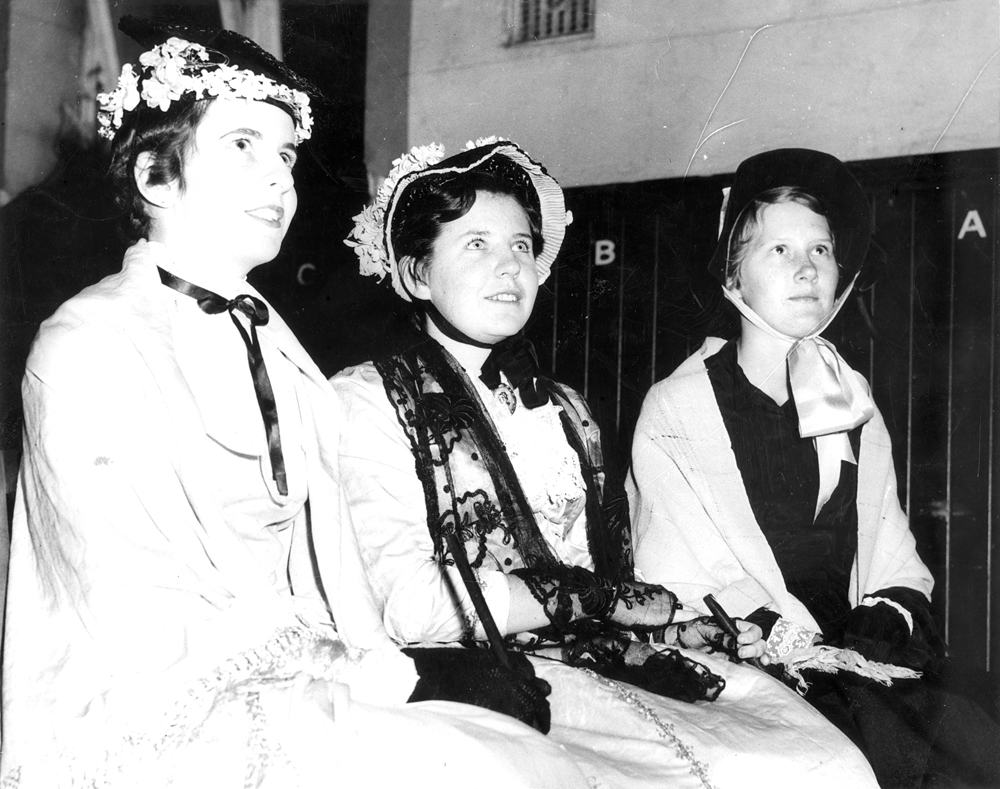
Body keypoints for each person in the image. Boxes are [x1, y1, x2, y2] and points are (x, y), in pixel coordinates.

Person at [0, 19, 593, 788]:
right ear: (155, 174)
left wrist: (397, 672)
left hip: (308, 680)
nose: (280, 178)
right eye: (242, 144)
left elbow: (338, 577)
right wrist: (373, 677)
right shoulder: (88, 341)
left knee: (534, 756)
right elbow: (132, 610)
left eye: (284, 154)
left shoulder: (287, 354)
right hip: (152, 707)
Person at [334, 138, 880, 789]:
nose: (509, 268)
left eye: (521, 247)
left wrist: (689, 622)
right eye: (476, 244)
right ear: (416, 273)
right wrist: (595, 597)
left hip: (582, 668)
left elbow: (614, 575)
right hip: (458, 686)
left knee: (816, 759)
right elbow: (407, 605)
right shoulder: (366, 399)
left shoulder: (567, 411)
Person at [628, 147, 1000, 789]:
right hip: (751, 670)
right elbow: (678, 569)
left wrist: (880, 620)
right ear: (733, 275)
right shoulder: (677, 408)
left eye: (822, 251)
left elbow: (891, 550)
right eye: (779, 251)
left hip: (857, 665)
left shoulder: (850, 402)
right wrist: (796, 645)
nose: (807, 269)